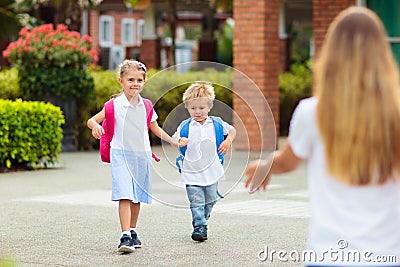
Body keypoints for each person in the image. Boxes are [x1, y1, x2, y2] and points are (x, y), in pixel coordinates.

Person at [244, 6, 400, 266]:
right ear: (381, 55)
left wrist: (266, 165)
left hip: (327, 255)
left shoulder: (312, 111)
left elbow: (288, 161)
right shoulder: (395, 113)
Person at [87, 60, 177, 253]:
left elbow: (155, 128)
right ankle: (125, 235)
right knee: (125, 195)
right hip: (120, 155)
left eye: (139, 80)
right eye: (130, 79)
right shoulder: (113, 105)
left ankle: (133, 231)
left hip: (142, 157)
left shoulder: (146, 105)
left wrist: (173, 141)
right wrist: (96, 126)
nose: (135, 83)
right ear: (121, 81)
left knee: (137, 197)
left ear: (144, 81)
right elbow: (92, 120)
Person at [173, 81, 236, 242]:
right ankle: (199, 226)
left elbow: (232, 131)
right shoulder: (185, 126)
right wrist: (180, 141)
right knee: (196, 201)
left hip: (212, 171)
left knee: (210, 200)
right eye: (193, 108)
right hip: (191, 172)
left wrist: (227, 141)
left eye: (202, 108)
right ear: (187, 107)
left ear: (209, 106)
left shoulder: (216, 123)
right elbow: (175, 138)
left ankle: (204, 218)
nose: (198, 112)